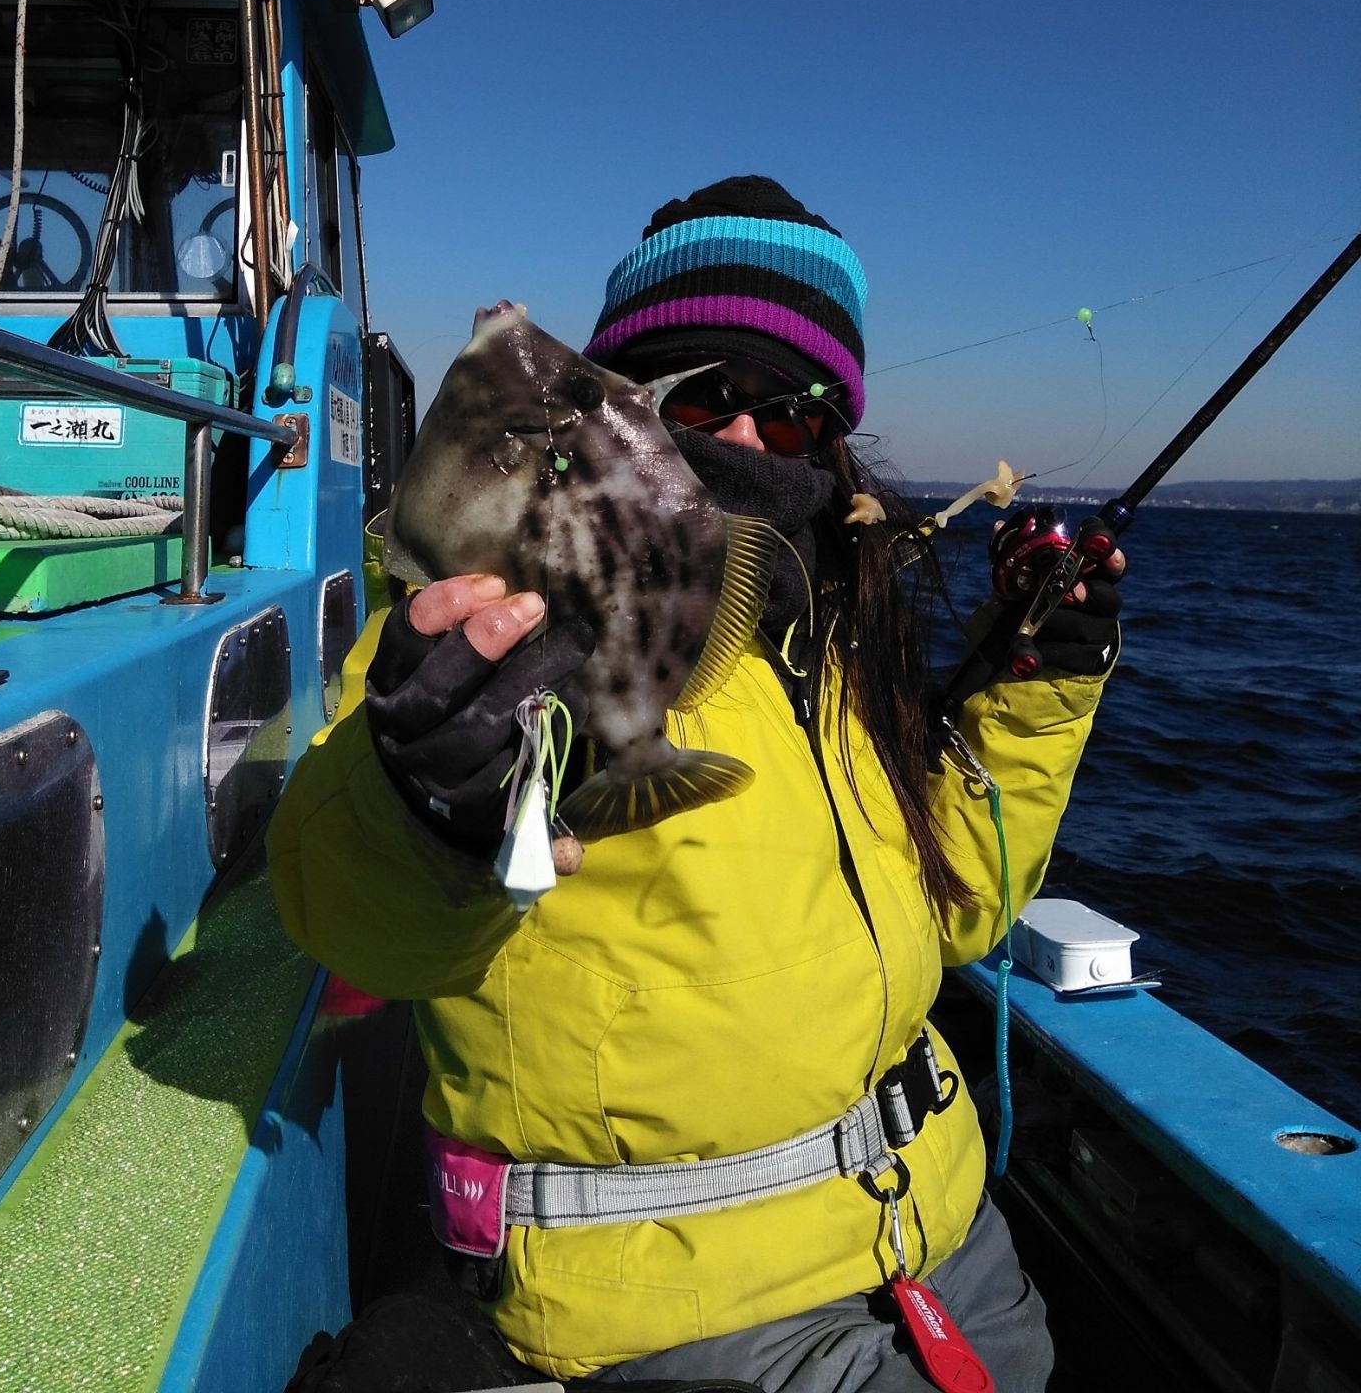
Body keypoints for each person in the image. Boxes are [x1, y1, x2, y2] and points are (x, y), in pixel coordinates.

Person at [270, 177, 1125, 1392]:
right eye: (702, 391)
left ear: (832, 439)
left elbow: (961, 913)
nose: (740, 437)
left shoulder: (832, 639)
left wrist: (1039, 694)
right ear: (625, 404)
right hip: (681, 1316)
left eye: (794, 413)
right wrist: (429, 798)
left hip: (948, 1252)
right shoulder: (507, 603)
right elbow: (349, 916)